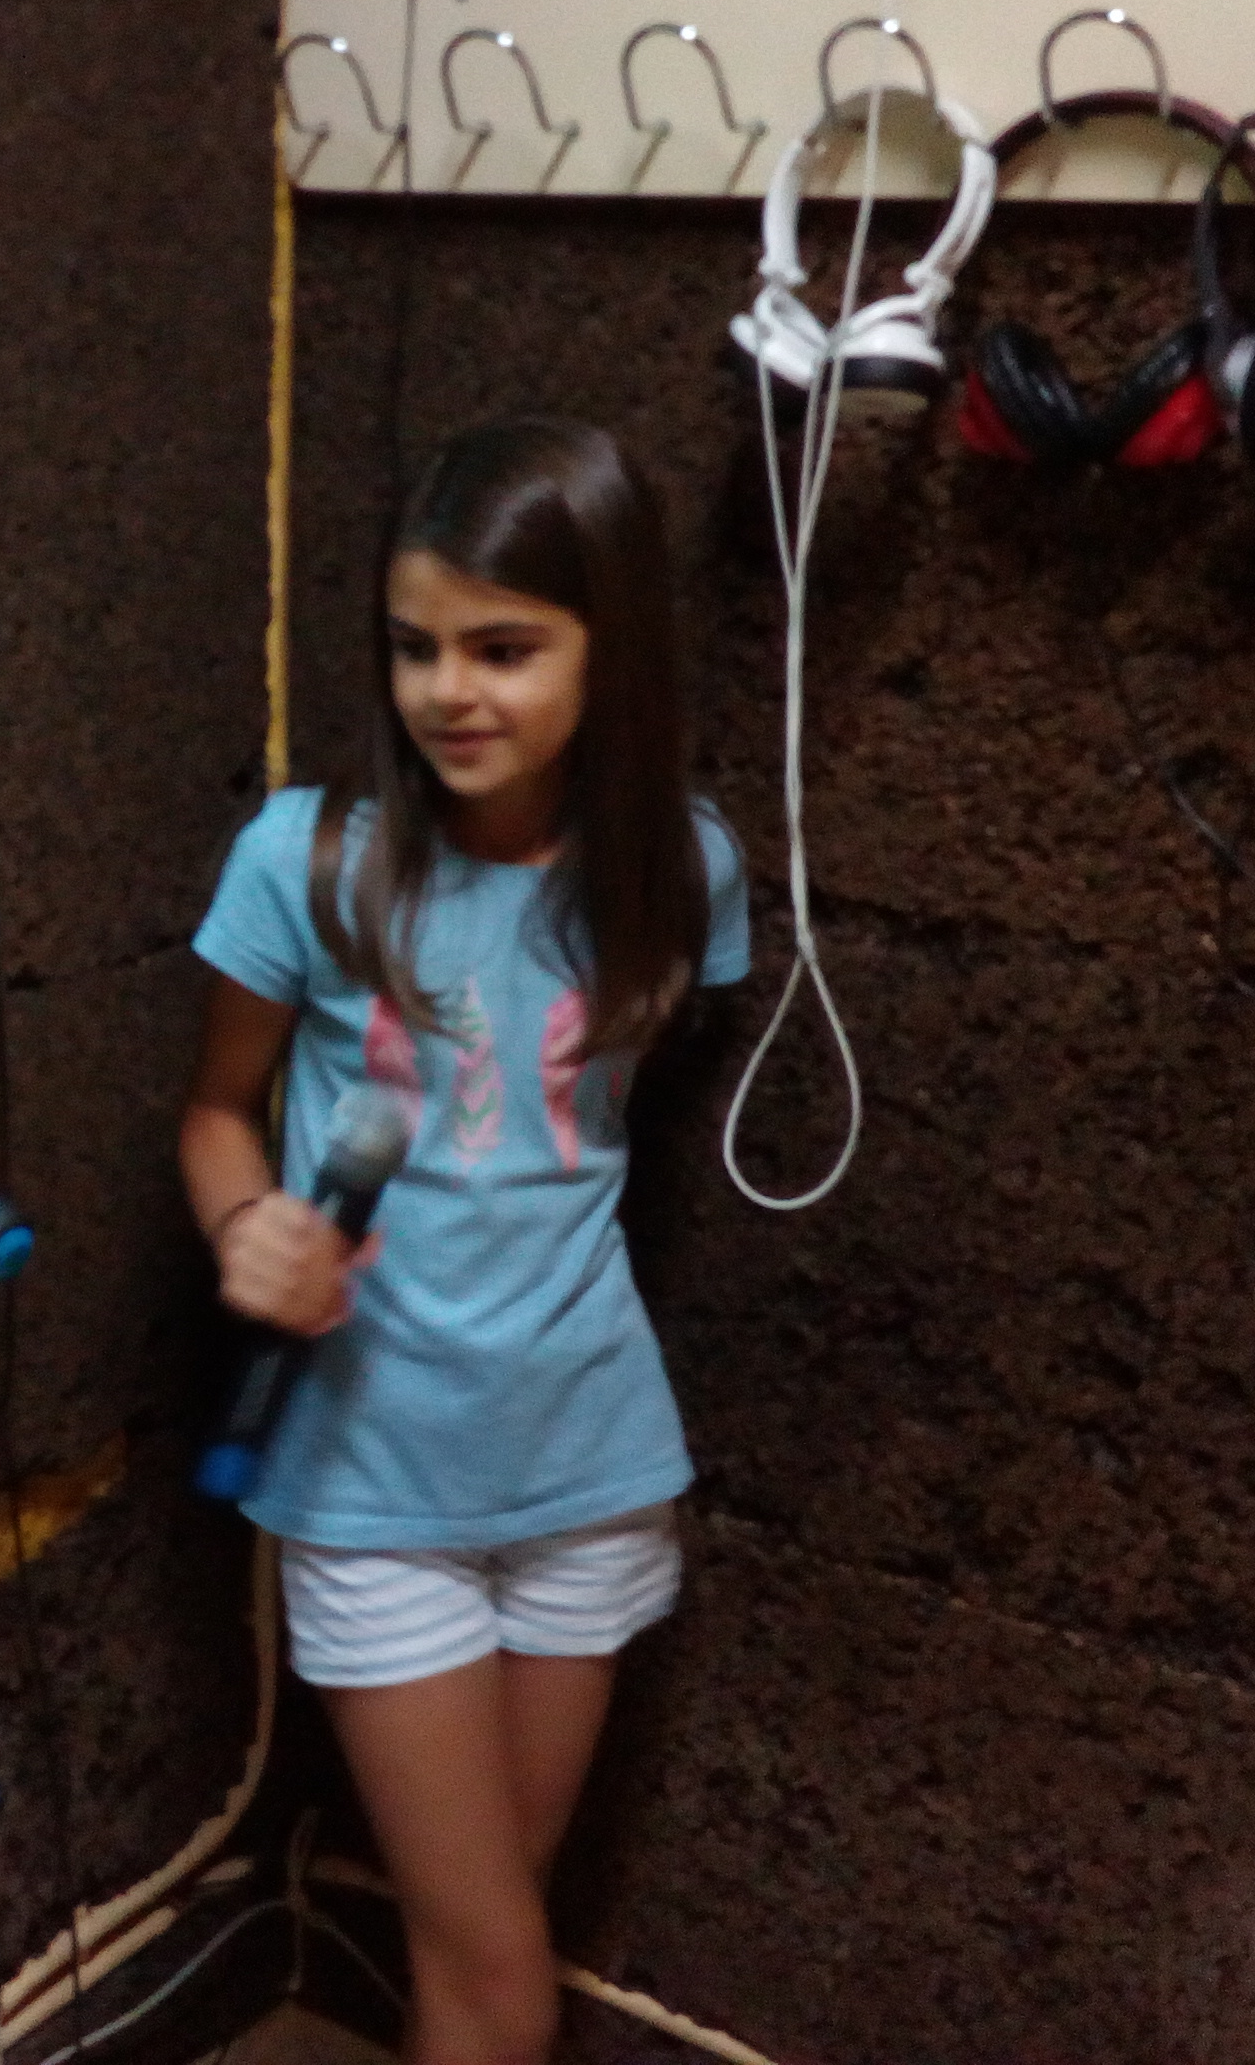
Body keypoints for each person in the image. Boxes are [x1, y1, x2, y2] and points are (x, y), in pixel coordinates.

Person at [179, 418, 751, 2065]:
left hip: (589, 1461)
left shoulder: (683, 870)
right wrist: (247, 1224)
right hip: (371, 1478)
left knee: (483, 1940)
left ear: (608, 650)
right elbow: (212, 1112)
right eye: (414, 646)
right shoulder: (309, 858)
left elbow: (609, 1133)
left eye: (502, 649)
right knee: (497, 1965)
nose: (447, 691)